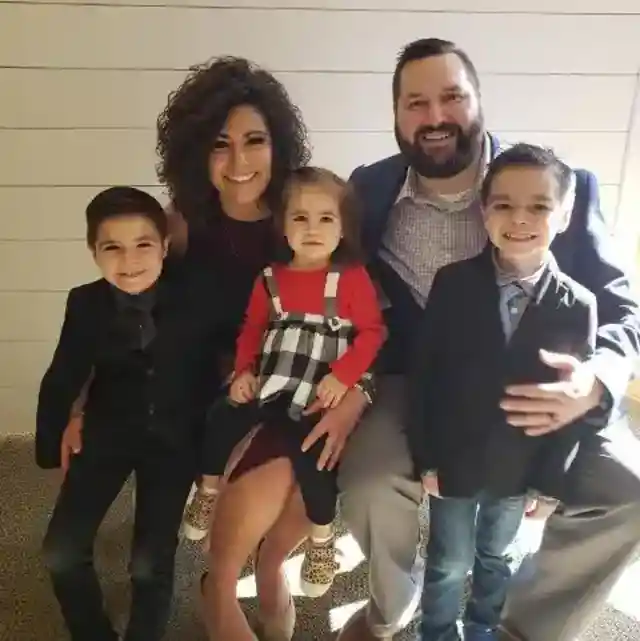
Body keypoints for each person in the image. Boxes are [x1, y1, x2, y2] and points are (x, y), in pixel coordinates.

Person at [334, 38, 640, 641]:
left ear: (479, 101)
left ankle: (519, 626)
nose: (435, 116)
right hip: (420, 376)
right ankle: (394, 604)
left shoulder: (556, 186)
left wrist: (596, 381)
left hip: (545, 385)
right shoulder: (368, 189)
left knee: (628, 491)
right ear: (396, 114)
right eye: (415, 103)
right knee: (369, 483)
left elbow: (624, 310)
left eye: (452, 97)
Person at [156, 56, 371, 641]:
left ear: (278, 145)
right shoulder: (178, 226)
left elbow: (365, 322)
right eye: (219, 144)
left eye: (255, 140)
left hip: (305, 387)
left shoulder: (307, 219)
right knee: (270, 472)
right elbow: (129, 319)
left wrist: (356, 392)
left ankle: (271, 565)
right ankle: (226, 584)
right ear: (196, 152)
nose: (239, 162)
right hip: (217, 394)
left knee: (306, 457)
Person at [407, 143, 598, 641]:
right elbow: (424, 375)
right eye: (504, 204)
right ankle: (437, 631)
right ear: (483, 211)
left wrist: (552, 482)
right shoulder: (452, 283)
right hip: (454, 460)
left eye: (539, 206)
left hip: (519, 467)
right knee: (449, 559)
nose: (520, 219)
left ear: (565, 214)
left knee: (497, 556)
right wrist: (425, 458)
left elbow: (570, 407)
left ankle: (484, 627)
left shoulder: (578, 305)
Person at [184, 166, 386, 598]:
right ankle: (208, 488)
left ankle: (321, 537)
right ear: (283, 226)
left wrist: (344, 376)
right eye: (300, 218)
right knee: (221, 416)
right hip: (272, 381)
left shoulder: (351, 278)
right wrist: (243, 371)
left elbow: (372, 333)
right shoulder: (270, 279)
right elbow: (252, 329)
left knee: (315, 454)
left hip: (317, 392)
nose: (312, 229)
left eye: (326, 218)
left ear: (343, 228)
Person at [36, 186, 225, 641]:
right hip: (108, 427)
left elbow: (218, 369)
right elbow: (63, 373)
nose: (130, 260)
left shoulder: (198, 296)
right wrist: (52, 442)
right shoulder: (84, 302)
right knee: (60, 550)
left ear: (164, 246)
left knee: (148, 562)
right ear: (93, 252)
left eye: (143, 244)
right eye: (112, 248)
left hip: (175, 438)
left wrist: (215, 454)